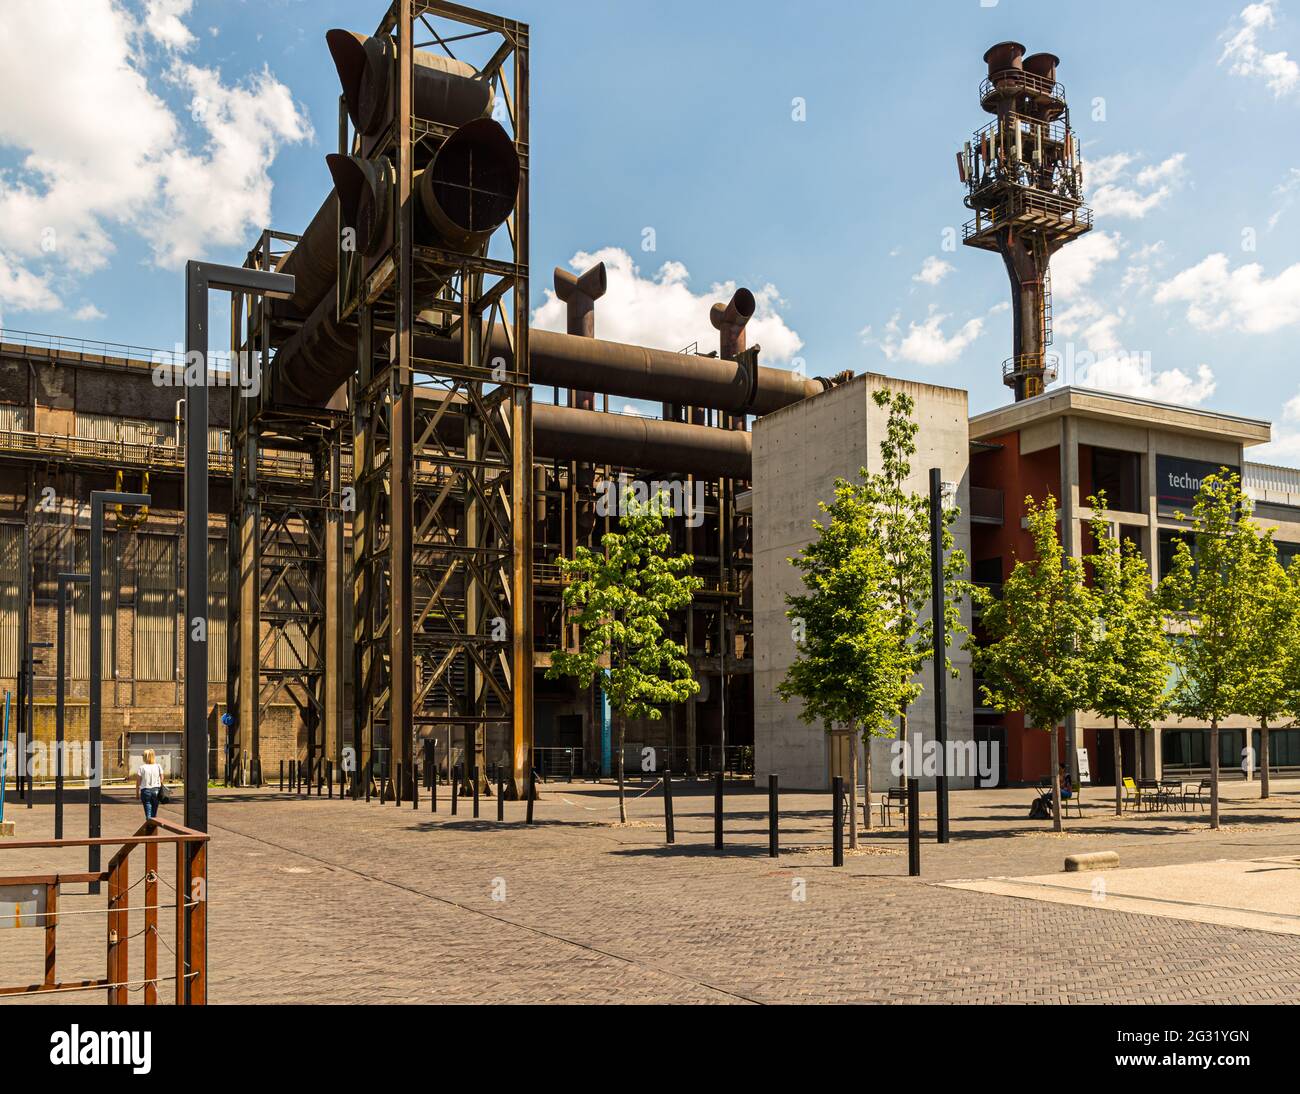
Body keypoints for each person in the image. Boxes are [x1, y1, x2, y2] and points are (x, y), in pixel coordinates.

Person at [136, 748, 164, 821]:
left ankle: (149, 824)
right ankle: (153, 825)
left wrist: (137, 793)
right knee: (154, 813)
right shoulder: (158, 766)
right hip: (156, 790)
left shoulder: (141, 767)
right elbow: (162, 778)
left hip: (145, 790)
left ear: (145, 757)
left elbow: (138, 782)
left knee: (148, 811)